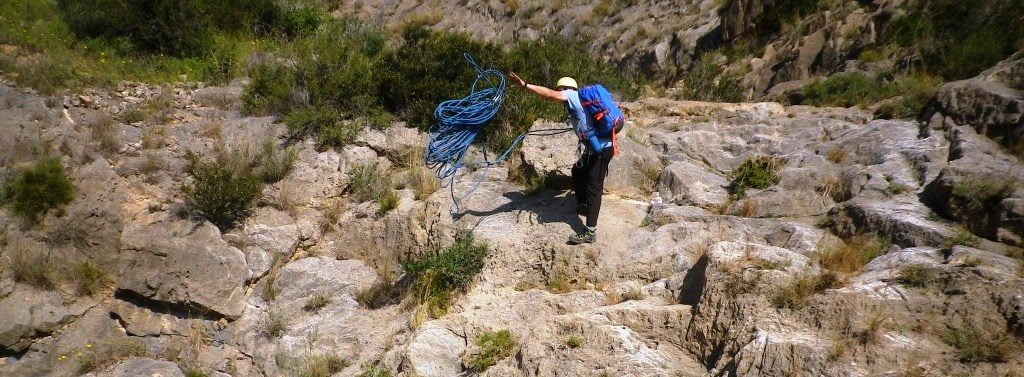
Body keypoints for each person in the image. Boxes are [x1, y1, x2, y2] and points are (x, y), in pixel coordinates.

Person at [508, 72, 614, 245]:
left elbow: (549, 94)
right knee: (578, 171)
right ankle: (583, 205)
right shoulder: (580, 101)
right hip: (595, 146)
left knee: (594, 186)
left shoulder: (571, 95)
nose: (560, 94)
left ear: (565, 89)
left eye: (560, 90)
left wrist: (525, 85)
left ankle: (590, 232)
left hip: (602, 149)